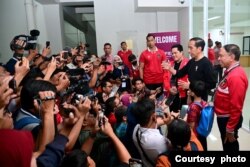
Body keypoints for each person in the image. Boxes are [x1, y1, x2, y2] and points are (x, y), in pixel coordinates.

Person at [214, 44, 248, 151]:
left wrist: (230, 128)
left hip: (228, 119)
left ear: (232, 57)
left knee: (230, 147)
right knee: (227, 146)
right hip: (223, 117)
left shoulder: (236, 76)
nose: (218, 58)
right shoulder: (230, 71)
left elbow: (237, 106)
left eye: (221, 56)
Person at [162, 37, 216, 101]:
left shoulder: (206, 63)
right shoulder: (191, 62)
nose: (188, 51)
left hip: (200, 100)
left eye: (191, 48)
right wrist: (170, 68)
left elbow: (212, 84)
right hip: (189, 97)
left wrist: (191, 86)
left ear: (199, 49)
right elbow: (180, 73)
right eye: (188, 48)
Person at [132, 98, 171, 167]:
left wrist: (165, 121)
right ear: (153, 116)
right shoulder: (158, 140)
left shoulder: (136, 129)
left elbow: (153, 124)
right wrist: (169, 124)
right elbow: (172, 147)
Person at [186, 80, 208, 151]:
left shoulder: (193, 108)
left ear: (193, 93)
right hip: (201, 131)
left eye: (189, 90)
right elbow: (189, 103)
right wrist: (189, 95)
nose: (188, 91)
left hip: (195, 134)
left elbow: (191, 126)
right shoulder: (203, 102)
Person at [167, 44, 189, 112]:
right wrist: (169, 88)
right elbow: (166, 78)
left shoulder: (188, 63)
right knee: (172, 115)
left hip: (184, 96)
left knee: (183, 116)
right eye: (172, 53)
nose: (173, 55)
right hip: (172, 95)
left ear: (181, 52)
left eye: (175, 53)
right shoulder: (170, 64)